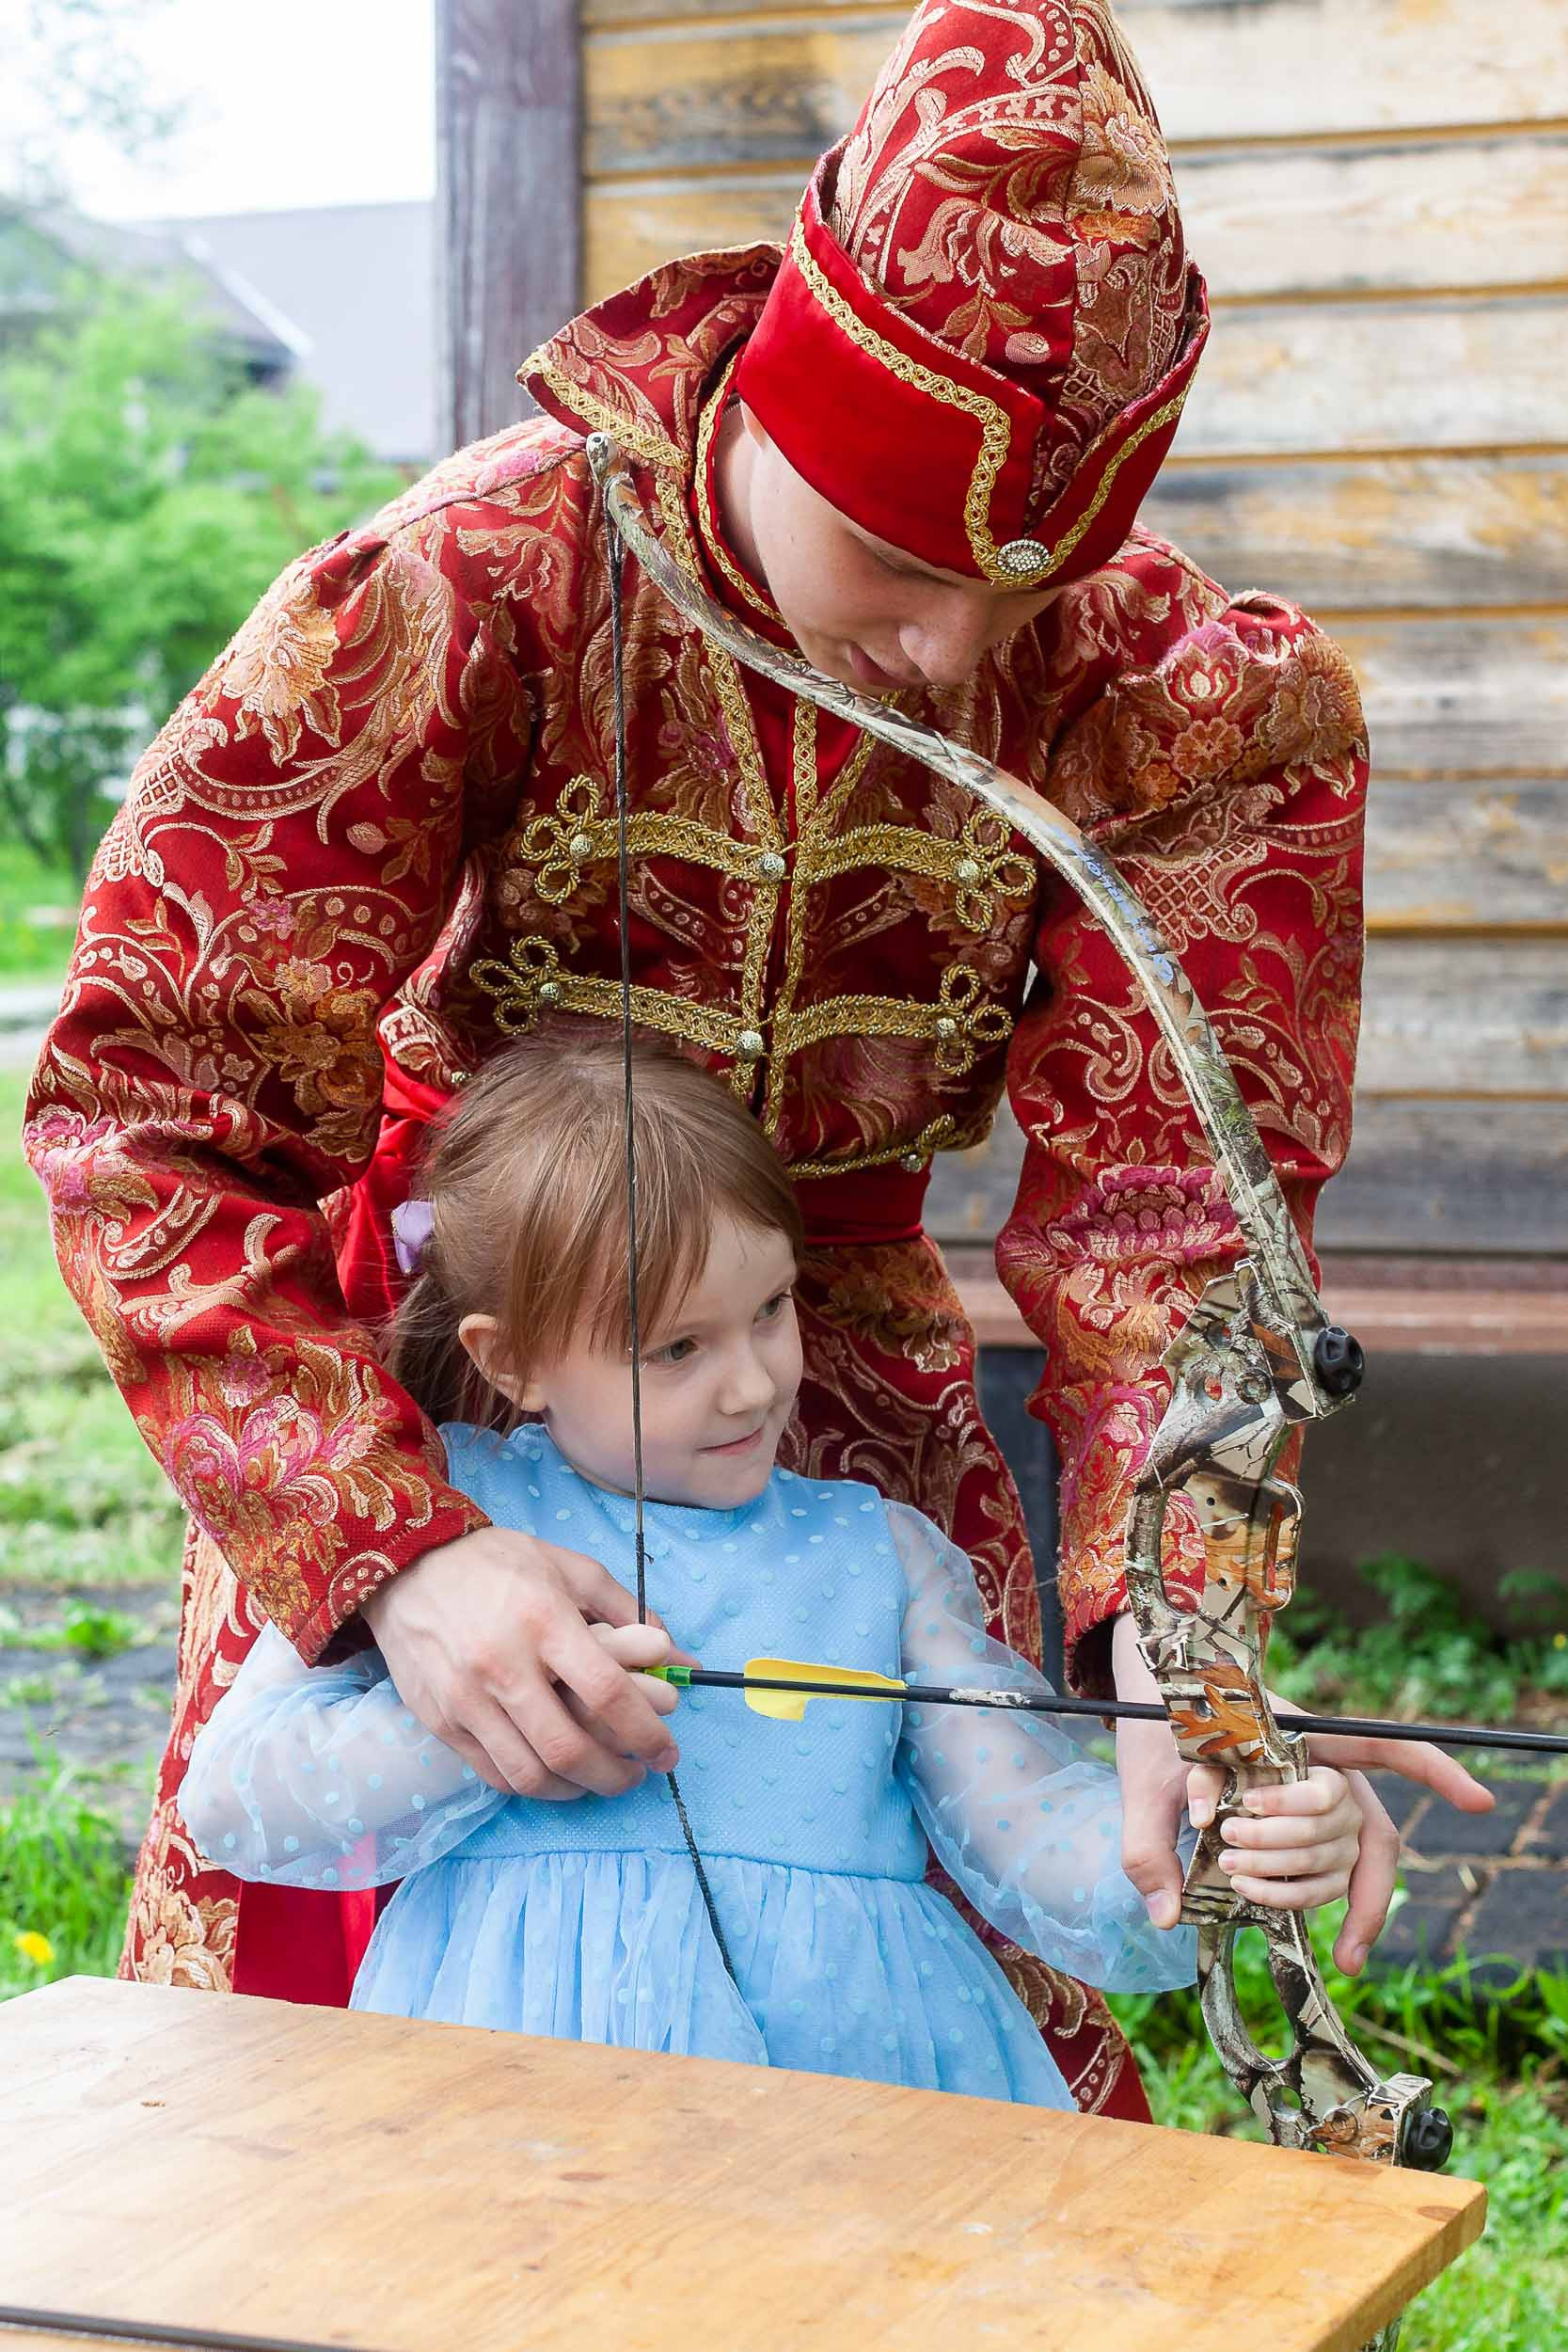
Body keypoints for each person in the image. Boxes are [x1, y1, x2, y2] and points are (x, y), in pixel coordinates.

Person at [23, 0, 1489, 2111]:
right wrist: (395, 1557)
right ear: (778, 402)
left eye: (1027, 582)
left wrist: (1172, 1640)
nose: (954, 653)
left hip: (839, 1389)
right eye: (898, 562)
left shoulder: (1172, 706)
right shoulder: (467, 587)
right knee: (328, 2117)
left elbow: (1174, 1218)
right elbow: (155, 1089)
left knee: (970, 2006)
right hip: (468, 1370)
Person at [180, 1028, 1370, 2105]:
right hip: (515, 2104)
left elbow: (1037, 1846)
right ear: (514, 1361)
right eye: (678, 1346)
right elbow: (235, 1802)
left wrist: (1213, 1849)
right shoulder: (444, 1535)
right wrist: (487, 1716)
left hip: (855, 2100)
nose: (750, 1383)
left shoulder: (881, 1554)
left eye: (770, 1309)